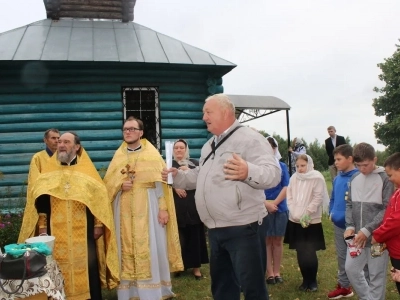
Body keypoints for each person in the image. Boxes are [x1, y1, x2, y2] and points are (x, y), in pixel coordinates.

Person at [162, 93, 281, 300]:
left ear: (225, 112)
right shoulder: (210, 145)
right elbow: (201, 175)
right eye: (203, 113)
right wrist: (179, 177)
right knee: (223, 289)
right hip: (216, 229)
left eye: (208, 112)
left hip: (244, 227)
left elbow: (273, 173)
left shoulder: (250, 138)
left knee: (252, 289)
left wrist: (248, 171)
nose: (203, 117)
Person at [18, 132, 119, 300]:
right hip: (55, 232)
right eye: (59, 142)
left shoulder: (87, 172)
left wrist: (98, 224)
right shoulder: (49, 173)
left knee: (88, 266)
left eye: (66, 142)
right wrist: (42, 227)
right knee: (55, 266)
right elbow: (41, 202)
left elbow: (98, 200)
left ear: (77, 147)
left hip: (84, 232)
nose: (61, 145)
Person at [103, 117, 183, 300]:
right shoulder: (119, 155)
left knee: (151, 245)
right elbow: (108, 184)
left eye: (132, 129)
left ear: (141, 132)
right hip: (122, 209)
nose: (128, 132)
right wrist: (119, 186)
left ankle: (152, 291)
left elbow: (160, 184)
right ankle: (129, 292)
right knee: (125, 246)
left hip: (148, 205)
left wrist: (163, 209)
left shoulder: (151, 154)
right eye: (125, 129)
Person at [344, 142, 393, 300]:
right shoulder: (354, 177)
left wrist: (368, 230)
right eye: (358, 165)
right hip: (357, 239)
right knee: (351, 269)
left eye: (365, 165)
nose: (362, 169)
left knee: (376, 276)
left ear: (375, 159)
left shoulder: (385, 178)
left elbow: (387, 209)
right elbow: (350, 204)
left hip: (378, 238)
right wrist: (350, 225)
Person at [284, 154, 328, 292]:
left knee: (309, 251)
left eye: (303, 166)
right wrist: (293, 210)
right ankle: (304, 280)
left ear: (309, 164)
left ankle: (312, 280)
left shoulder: (317, 177)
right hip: (295, 219)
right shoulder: (294, 178)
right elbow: (289, 195)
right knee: (300, 250)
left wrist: (307, 213)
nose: (300, 169)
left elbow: (317, 197)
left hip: (310, 220)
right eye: (297, 166)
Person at [172, 139, 209, 280]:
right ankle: (179, 266)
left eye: (182, 147)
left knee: (195, 236)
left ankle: (196, 268)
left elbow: (203, 180)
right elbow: (163, 184)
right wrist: (175, 187)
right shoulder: (169, 165)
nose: (179, 150)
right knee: (179, 237)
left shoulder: (195, 164)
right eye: (176, 148)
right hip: (177, 206)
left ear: (186, 149)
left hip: (193, 206)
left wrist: (188, 172)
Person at [327, 144, 358, 299]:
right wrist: (331, 212)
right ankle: (344, 286)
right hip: (339, 226)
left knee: (357, 257)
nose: (336, 163)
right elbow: (333, 198)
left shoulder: (358, 177)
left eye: (339, 159)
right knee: (342, 257)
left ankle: (364, 287)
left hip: (355, 227)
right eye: (335, 159)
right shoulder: (338, 178)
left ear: (350, 159)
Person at [372, 152, 400, 294]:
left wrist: (377, 235)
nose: (389, 179)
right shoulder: (397, 192)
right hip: (395, 250)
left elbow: (396, 221)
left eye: (390, 175)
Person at [263, 136, 289, 285]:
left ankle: (277, 271)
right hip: (263, 207)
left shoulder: (282, 166)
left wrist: (275, 203)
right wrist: (267, 204)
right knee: (267, 240)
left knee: (278, 240)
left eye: (271, 147)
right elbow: (255, 188)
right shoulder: (259, 166)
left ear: (275, 148)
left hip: (280, 207)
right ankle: (269, 273)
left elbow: (286, 186)